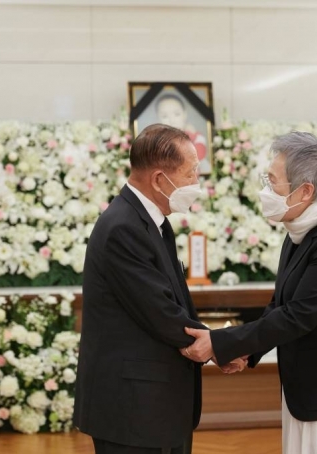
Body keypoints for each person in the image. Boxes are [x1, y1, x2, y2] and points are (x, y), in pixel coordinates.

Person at [181, 132, 317, 454]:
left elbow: (299, 315)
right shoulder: (301, 231)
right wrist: (248, 351)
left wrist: (221, 343)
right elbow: (280, 305)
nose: (266, 191)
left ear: (305, 190)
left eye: (273, 182)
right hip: (309, 388)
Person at [73, 124, 243, 454]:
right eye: (191, 173)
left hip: (155, 404)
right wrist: (222, 346)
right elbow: (160, 310)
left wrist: (218, 343)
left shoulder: (150, 220)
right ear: (159, 179)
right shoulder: (123, 226)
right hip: (132, 407)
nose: (196, 184)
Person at [155, 93, 212, 175]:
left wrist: (192, 135)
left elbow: (199, 155)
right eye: (164, 116)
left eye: (177, 114)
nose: (172, 120)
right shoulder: (156, 142)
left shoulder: (196, 136)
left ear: (184, 115)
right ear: (158, 119)